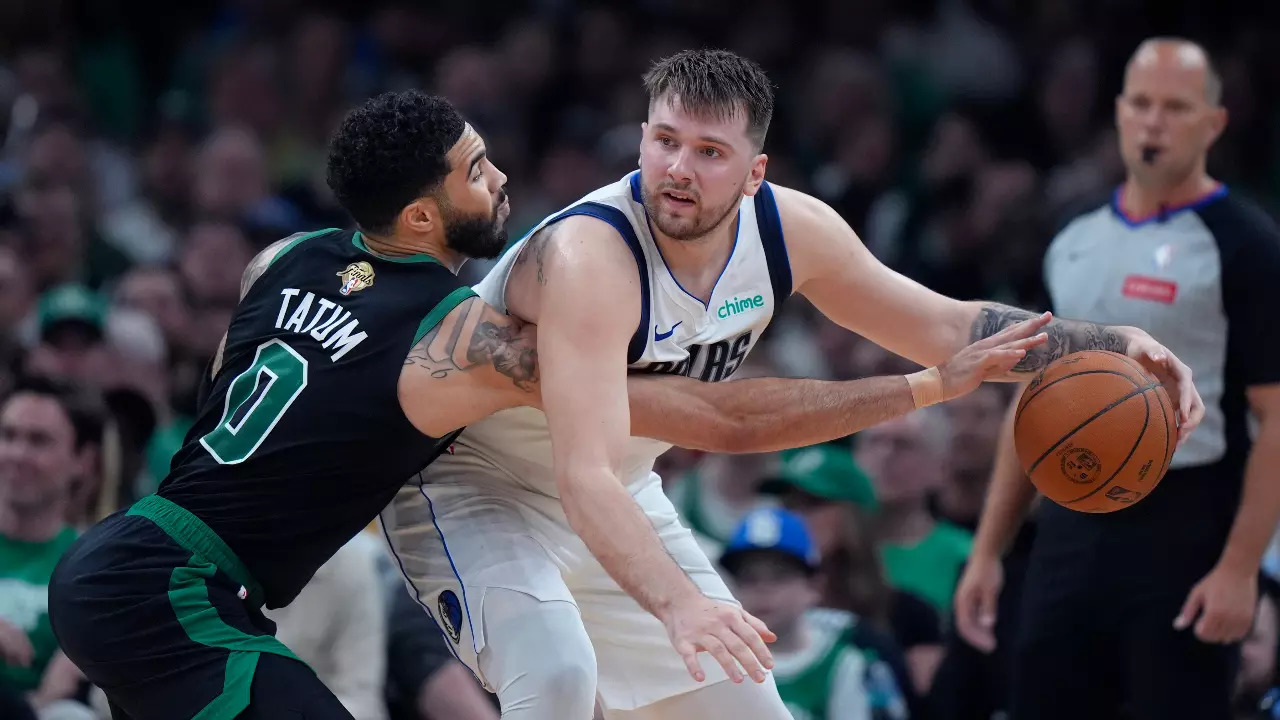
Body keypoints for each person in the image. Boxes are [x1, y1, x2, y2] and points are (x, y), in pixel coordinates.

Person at [47, 90, 1043, 720]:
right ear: (426, 215)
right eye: (477, 170)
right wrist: (919, 386)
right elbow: (718, 419)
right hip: (176, 593)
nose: (503, 177)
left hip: (131, 558)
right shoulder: (454, 343)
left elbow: (234, 372)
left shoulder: (292, 257)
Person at [384, 48, 1204, 720]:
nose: (678, 168)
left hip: (617, 488)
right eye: (664, 141)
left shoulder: (791, 230)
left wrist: (1105, 342)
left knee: (746, 705)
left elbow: (950, 329)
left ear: (754, 171)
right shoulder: (589, 258)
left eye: (709, 153)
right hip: (474, 484)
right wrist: (679, 604)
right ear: (640, 139)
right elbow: (583, 471)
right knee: (556, 675)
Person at [953, 38, 1280, 720]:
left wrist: (1242, 568)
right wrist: (988, 550)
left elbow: (1277, 416)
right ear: (1119, 113)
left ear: (1213, 123)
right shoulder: (1073, 236)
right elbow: (1031, 392)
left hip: (1187, 517)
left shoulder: (1246, 242)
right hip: (1068, 511)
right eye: (1141, 103)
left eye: (1176, 107)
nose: (1154, 121)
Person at [719, 506, 907, 720]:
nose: (763, 590)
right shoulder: (718, 663)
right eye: (749, 578)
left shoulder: (844, 664)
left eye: (780, 576)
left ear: (814, 587)